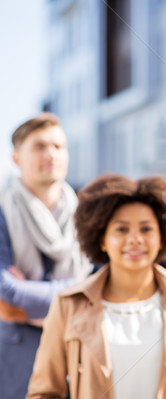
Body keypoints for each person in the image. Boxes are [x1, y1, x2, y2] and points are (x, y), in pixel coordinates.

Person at [26, 174, 166, 399]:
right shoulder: (68, 304)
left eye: (146, 229)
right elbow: (44, 392)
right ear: (102, 239)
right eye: (121, 229)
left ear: (162, 237)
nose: (135, 239)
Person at [0, 112, 92, 399]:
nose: (51, 154)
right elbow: (5, 293)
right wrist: (77, 296)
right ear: (16, 158)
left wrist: (27, 302)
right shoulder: (3, 211)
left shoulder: (88, 214)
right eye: (39, 146)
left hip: (80, 354)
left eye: (58, 146)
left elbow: (106, 284)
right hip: (17, 360)